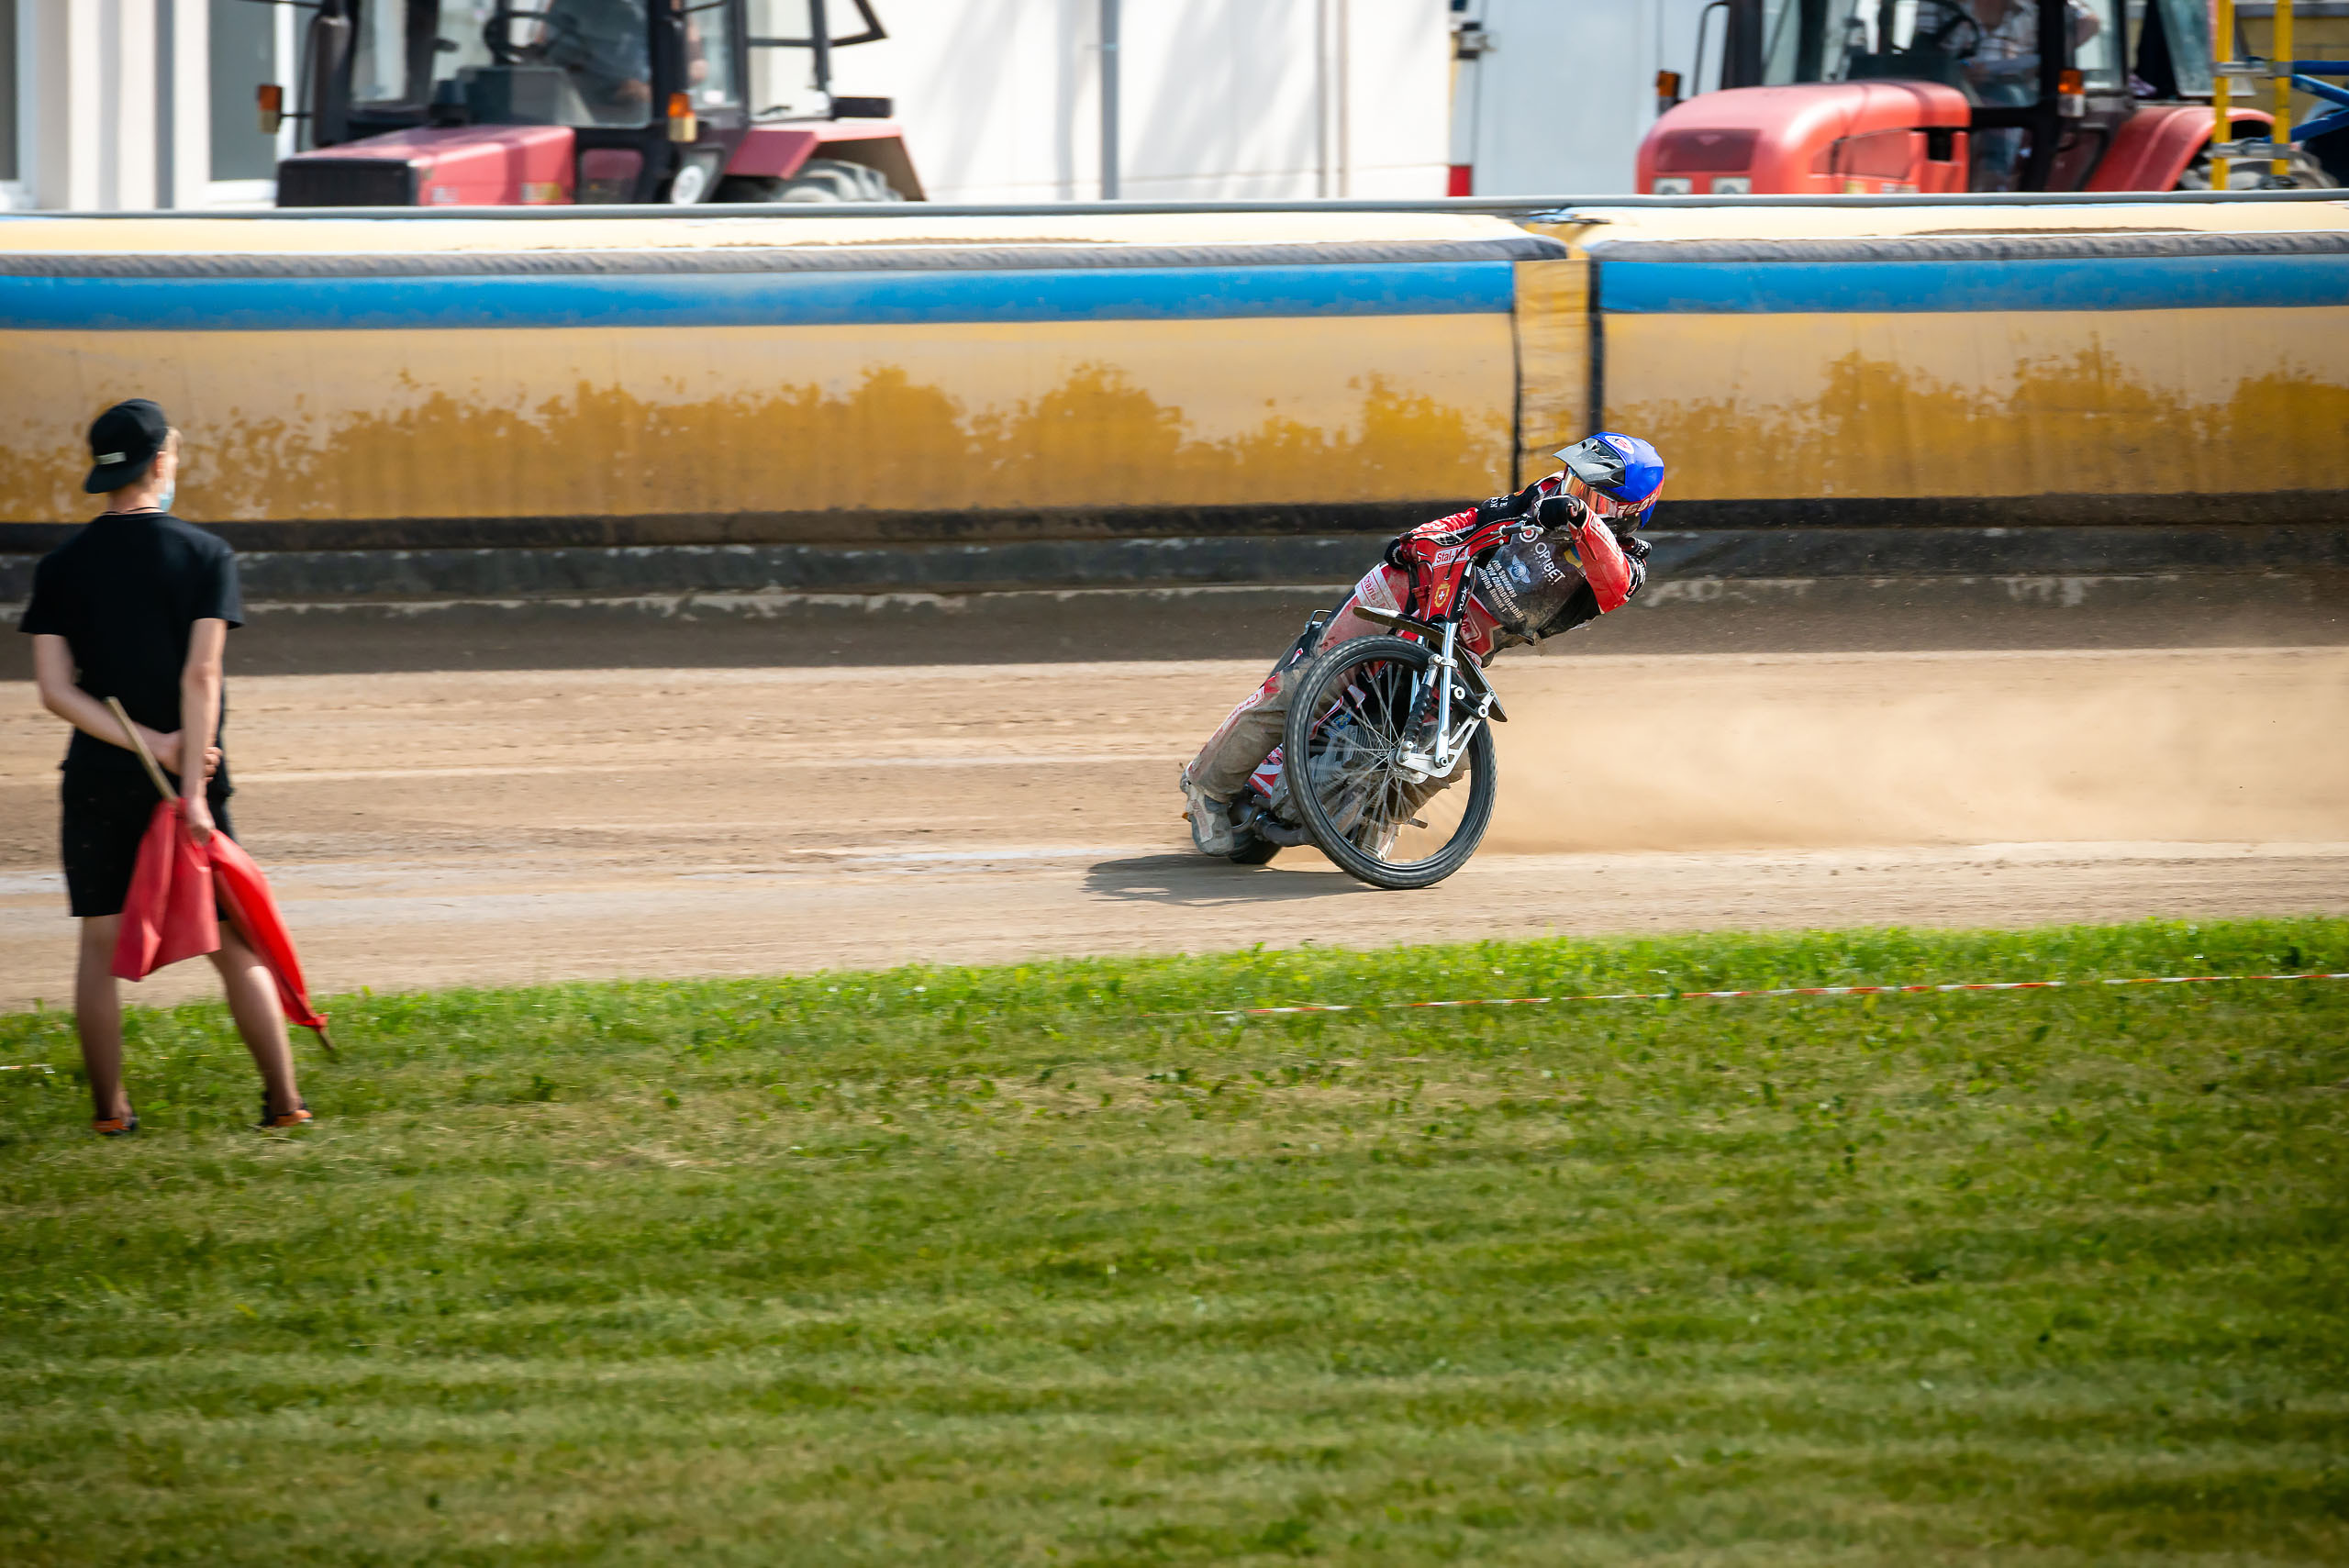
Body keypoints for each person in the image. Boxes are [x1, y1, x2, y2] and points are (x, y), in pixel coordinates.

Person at [18, 400, 311, 1135]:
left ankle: (111, 1112)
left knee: (96, 943)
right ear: (159, 464)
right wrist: (189, 781)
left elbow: (57, 691)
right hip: (191, 780)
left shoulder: (61, 567)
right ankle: (283, 1102)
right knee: (234, 944)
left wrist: (147, 742)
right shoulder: (206, 556)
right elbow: (201, 678)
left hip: (96, 778)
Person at [1180, 432, 1664, 857]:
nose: (1568, 490)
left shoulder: (1628, 564)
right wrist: (1418, 537)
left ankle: (1375, 822)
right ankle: (1208, 789)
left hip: (1458, 648)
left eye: (1587, 490)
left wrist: (1581, 521)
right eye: (1572, 480)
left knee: (1447, 757)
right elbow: (1478, 514)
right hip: (1411, 584)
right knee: (1304, 685)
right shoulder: (1544, 494)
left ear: (1625, 511)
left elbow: (1613, 580)